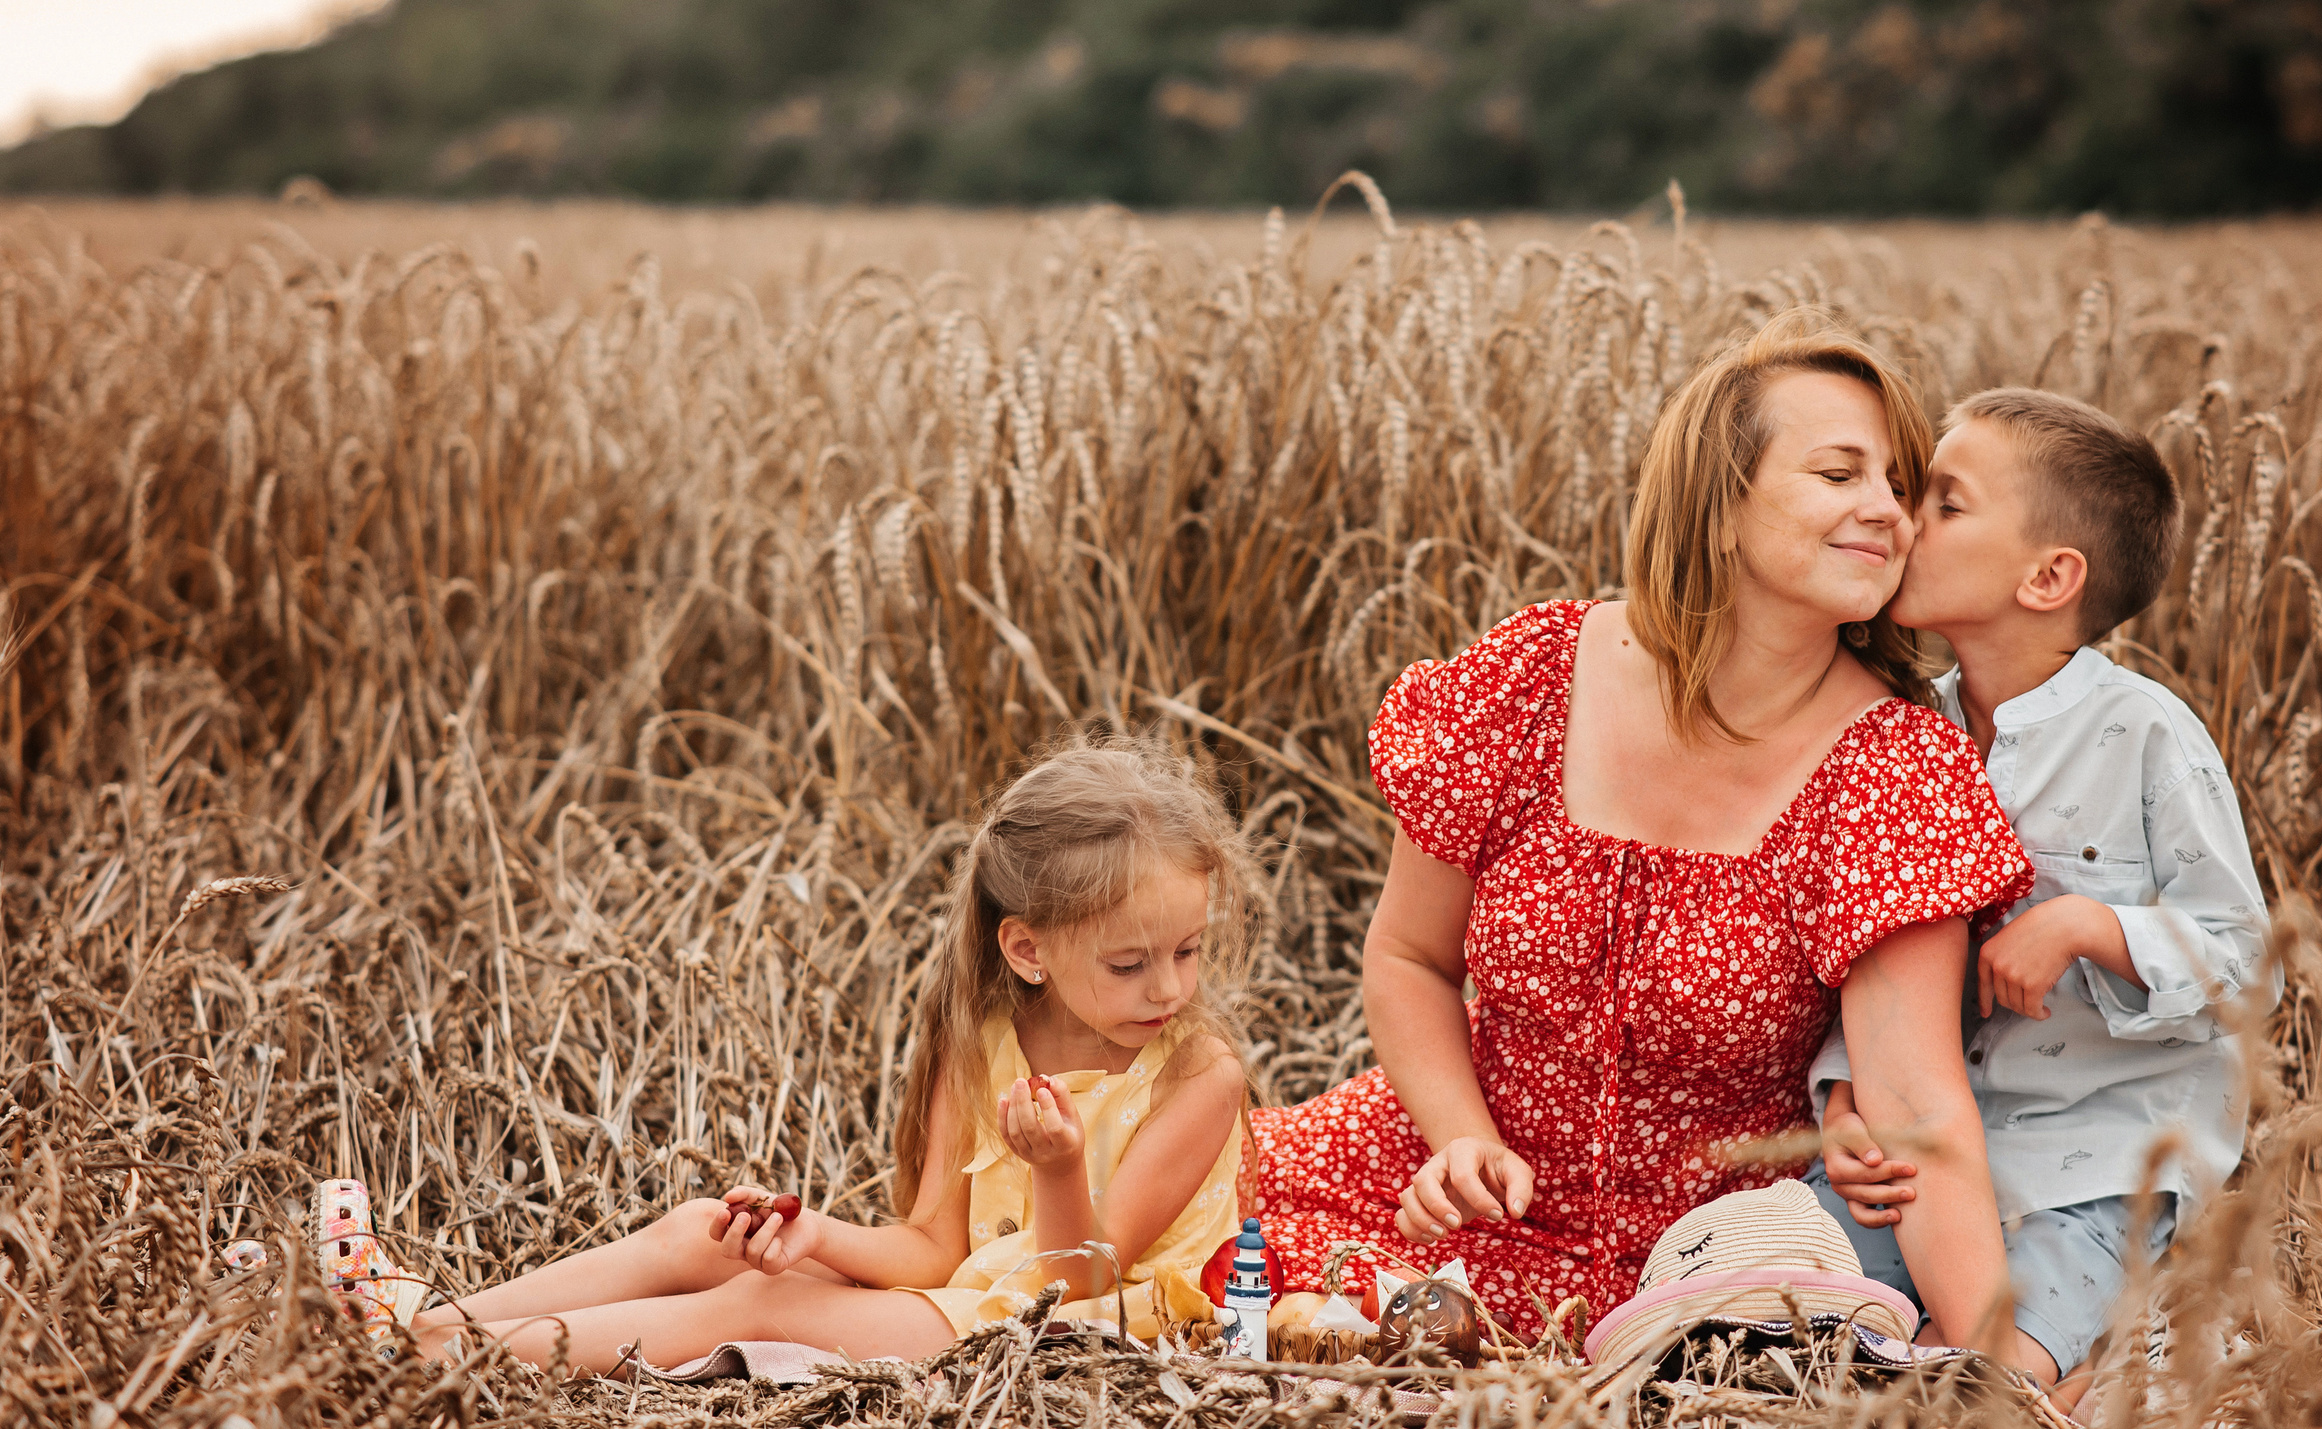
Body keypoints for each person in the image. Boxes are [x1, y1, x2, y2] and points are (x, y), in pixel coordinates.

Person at [1249, 309, 2039, 1360]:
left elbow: (1916, 1111)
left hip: (1695, 1271)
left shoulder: (1891, 768)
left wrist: (1997, 1363)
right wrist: (1460, 1137)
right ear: (1719, 505)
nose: (1886, 512)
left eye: (1899, 484)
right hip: (1437, 1182)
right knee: (1151, 1234)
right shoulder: (1533, 672)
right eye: (1840, 473)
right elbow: (1408, 955)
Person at [404, 737, 1252, 1374]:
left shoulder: (1196, 1074)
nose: (1169, 988)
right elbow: (931, 1245)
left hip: (1091, 1324)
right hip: (974, 1292)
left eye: (1187, 949)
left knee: (763, 1301)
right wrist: (818, 1232)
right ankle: (423, 1320)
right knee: (704, 1234)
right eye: (1130, 964)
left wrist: (1060, 1167)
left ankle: (448, 1361)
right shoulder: (987, 1043)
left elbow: (1080, 1282)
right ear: (1029, 949)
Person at [1808, 389, 2277, 1406]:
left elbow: (2242, 954)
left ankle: (2090, 1355)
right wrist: (1843, 1097)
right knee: (1767, 1295)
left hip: (2097, 1162)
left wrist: (2088, 924)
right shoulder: (1903, 733)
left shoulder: (2145, 732)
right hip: (1930, 1156)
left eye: (1943, 502)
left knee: (1975, 1372)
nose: (1900, 519)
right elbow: (1880, 952)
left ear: (2048, 575)